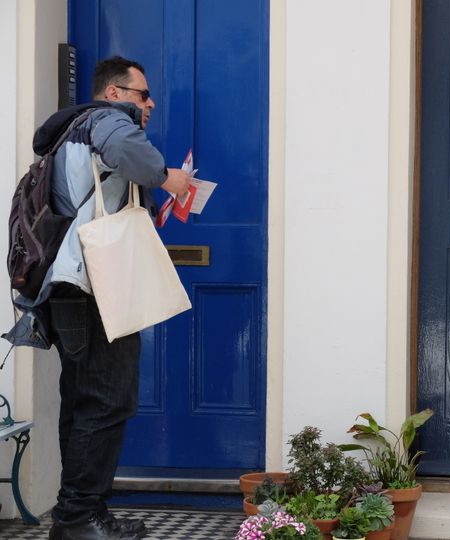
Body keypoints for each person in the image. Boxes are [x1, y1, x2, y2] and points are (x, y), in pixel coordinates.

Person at [35, 56, 191, 540]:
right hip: (90, 288)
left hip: (69, 288)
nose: (150, 103)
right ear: (115, 93)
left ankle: (77, 515)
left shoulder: (72, 131)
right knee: (105, 402)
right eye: (142, 94)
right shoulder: (106, 120)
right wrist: (169, 178)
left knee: (84, 404)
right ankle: (81, 518)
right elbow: (133, 154)